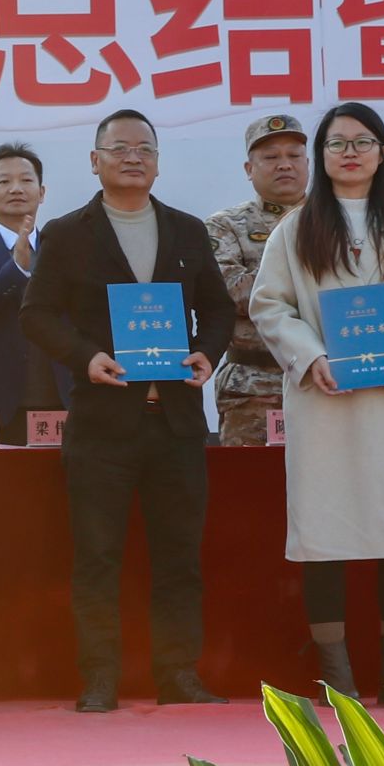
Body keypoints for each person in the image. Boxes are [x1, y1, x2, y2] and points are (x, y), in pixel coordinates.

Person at [20, 108, 235, 713]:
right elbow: (36, 314)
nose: (133, 157)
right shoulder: (67, 233)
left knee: (178, 558)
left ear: (158, 163)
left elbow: (218, 308)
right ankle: (99, 677)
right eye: (119, 148)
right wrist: (84, 357)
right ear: (95, 161)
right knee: (97, 558)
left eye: (145, 148)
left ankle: (178, 674)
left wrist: (207, 351)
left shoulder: (187, 231)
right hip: (101, 425)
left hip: (177, 423)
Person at [249, 103, 384, 706]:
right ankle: (335, 674)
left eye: (362, 142)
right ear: (321, 156)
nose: (349, 153)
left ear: (382, 153)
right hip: (325, 400)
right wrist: (311, 356)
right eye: (336, 143)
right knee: (323, 537)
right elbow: (270, 305)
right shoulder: (297, 229)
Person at [206, 115, 310, 447]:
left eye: (294, 155)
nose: (284, 164)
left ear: (308, 164)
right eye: (271, 157)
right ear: (249, 169)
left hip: (326, 381)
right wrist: (310, 277)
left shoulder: (339, 223)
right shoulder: (225, 225)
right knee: (251, 478)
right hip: (253, 388)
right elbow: (231, 292)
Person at [0, 142, 71, 444]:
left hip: (65, 398)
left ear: (41, 192)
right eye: (4, 181)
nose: (16, 188)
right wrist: (15, 268)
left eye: (26, 180)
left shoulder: (65, 247)